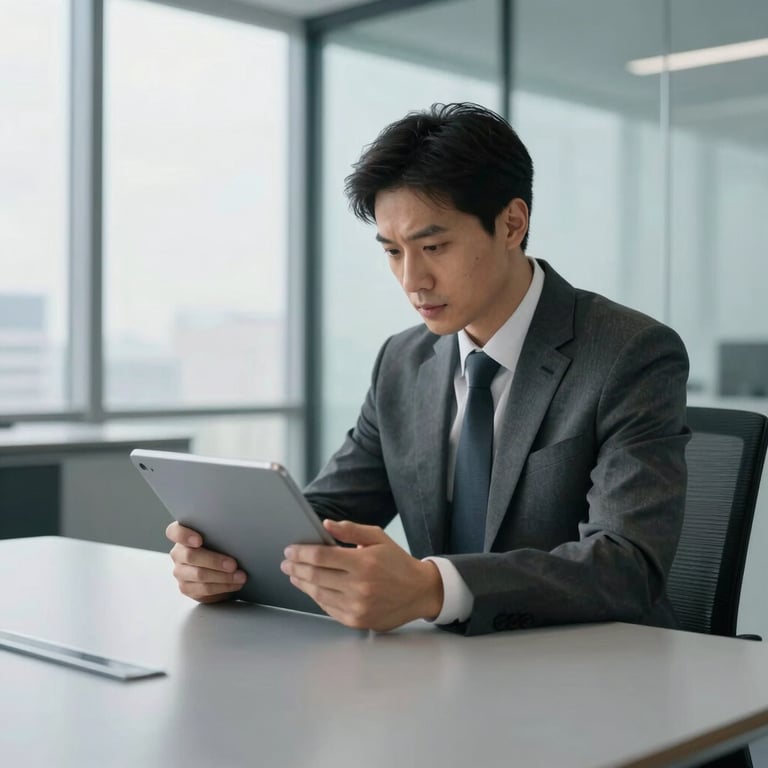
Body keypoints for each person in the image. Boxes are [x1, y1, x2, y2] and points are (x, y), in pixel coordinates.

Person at [166, 102, 690, 636]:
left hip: (600, 674)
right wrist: (229, 558)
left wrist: (433, 588)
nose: (412, 279)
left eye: (433, 246)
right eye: (393, 251)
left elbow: (627, 566)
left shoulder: (629, 353)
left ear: (512, 224)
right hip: (443, 672)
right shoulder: (402, 361)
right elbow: (327, 515)